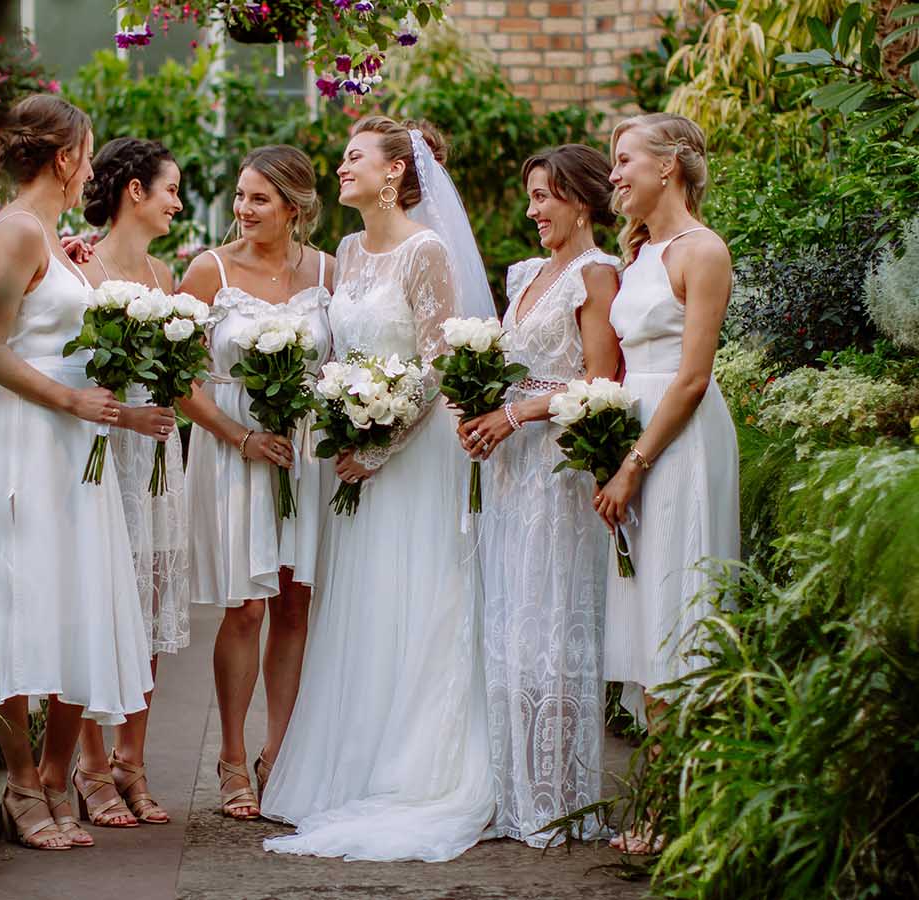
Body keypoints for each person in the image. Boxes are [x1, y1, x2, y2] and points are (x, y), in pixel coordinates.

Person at [260, 117, 495, 862]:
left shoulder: (427, 252)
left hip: (413, 457)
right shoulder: (350, 253)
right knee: (360, 603)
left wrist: (383, 442)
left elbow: (437, 363)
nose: (340, 167)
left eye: (353, 157)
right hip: (354, 457)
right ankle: (353, 762)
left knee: (414, 596)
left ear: (395, 171)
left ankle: (414, 767)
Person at [0, 96, 170, 850]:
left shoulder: (52, 237)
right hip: (33, 438)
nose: (91, 163)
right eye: (85, 151)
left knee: (80, 600)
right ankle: (22, 784)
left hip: (78, 450)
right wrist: (72, 399)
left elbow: (50, 314)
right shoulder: (15, 230)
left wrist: (78, 270)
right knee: (24, 600)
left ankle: (57, 780)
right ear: (63, 158)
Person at [457, 144, 622, 847]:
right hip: (509, 472)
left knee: (552, 628)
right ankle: (514, 793)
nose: (532, 211)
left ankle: (559, 798)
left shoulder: (597, 275)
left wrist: (515, 413)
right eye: (530, 197)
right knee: (511, 628)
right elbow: (516, 367)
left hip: (559, 472)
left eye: (543, 197)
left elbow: (598, 378)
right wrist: (476, 400)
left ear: (581, 201)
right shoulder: (525, 273)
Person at [594, 112, 740, 854]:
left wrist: (633, 463)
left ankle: (678, 811)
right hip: (639, 439)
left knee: (680, 615)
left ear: (670, 164)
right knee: (651, 617)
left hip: (678, 447)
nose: (614, 175)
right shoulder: (642, 252)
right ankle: (667, 802)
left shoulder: (701, 250)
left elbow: (689, 380)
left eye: (624, 160)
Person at [178, 145, 335, 820]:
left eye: (259, 200)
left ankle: (283, 753)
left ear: (295, 208)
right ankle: (233, 758)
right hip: (233, 449)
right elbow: (177, 379)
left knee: (295, 607)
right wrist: (239, 435)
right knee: (243, 607)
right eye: (240, 196)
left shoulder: (331, 270)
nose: (243, 211)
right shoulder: (208, 271)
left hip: (306, 452)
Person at [68, 137, 192, 828]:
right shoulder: (76, 265)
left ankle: (132, 763)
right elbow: (66, 374)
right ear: (134, 191)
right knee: (99, 600)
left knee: (145, 604)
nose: (177, 201)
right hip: (103, 451)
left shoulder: (164, 274)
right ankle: (90, 768)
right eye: (169, 189)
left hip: (154, 460)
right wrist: (126, 410)